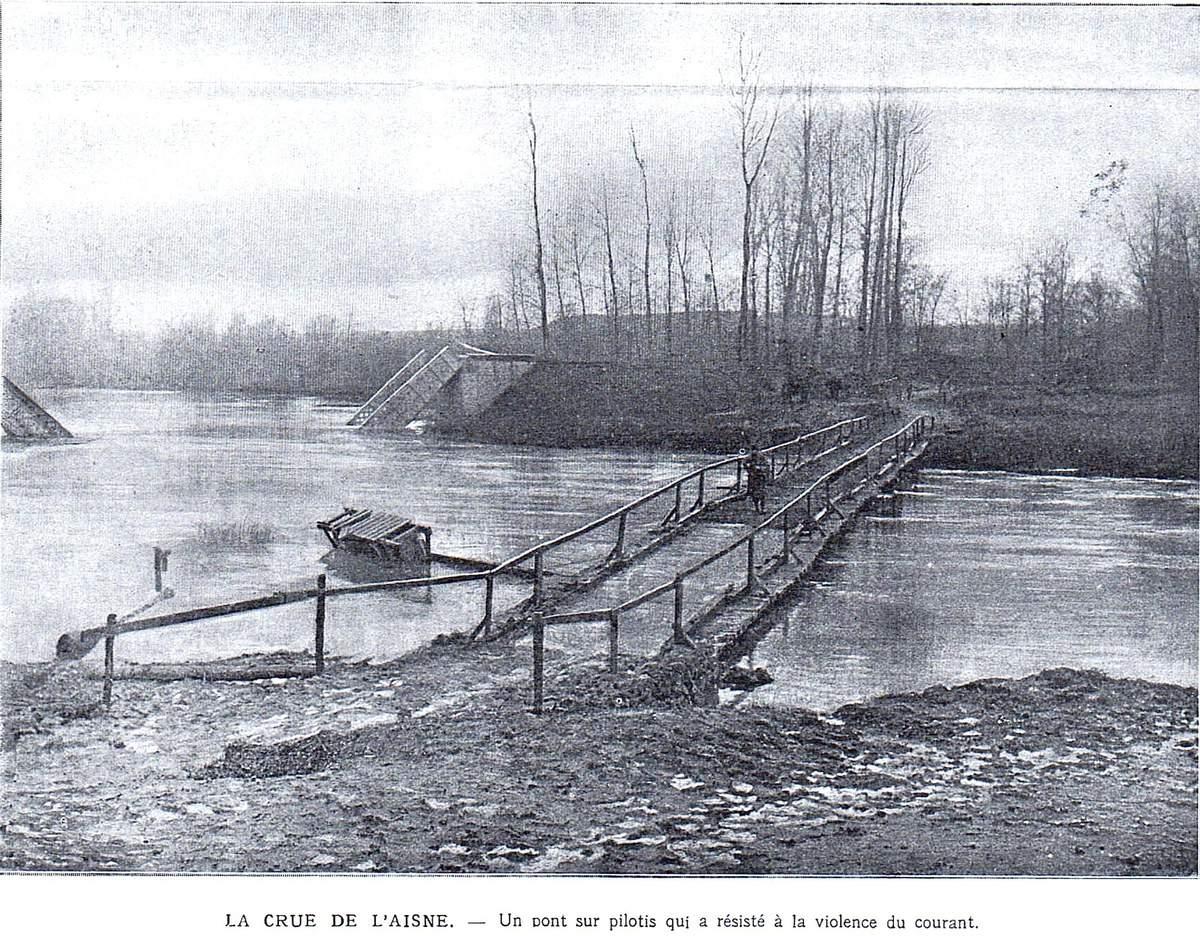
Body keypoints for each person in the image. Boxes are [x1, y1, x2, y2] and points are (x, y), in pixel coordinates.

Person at [746, 447, 769, 514]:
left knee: (762, 493)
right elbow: (745, 464)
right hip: (753, 477)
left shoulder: (761, 457)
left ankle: (762, 508)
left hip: (761, 477)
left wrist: (762, 470)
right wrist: (749, 470)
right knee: (754, 493)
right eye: (753, 451)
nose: (754, 452)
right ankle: (756, 507)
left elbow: (766, 465)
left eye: (755, 451)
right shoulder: (749, 457)